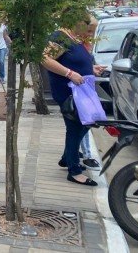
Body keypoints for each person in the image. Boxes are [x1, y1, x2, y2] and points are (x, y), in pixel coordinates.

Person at [41, 15, 105, 186]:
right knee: (76, 127)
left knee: (86, 123)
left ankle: (67, 157)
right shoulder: (60, 37)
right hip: (69, 92)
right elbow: (45, 58)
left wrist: (90, 68)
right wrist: (70, 74)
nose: (90, 33)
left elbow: (72, 60)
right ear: (77, 22)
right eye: (88, 29)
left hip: (81, 90)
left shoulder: (72, 38)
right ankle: (74, 171)